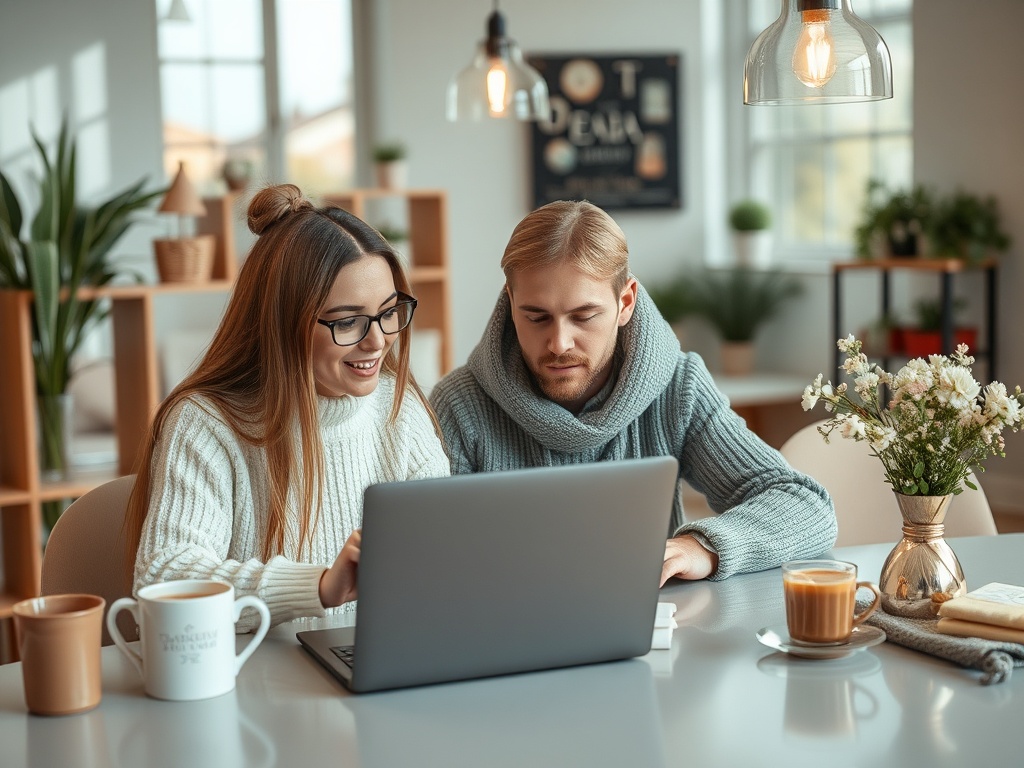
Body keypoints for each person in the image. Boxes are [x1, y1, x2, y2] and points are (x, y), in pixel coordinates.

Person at [429, 200, 836, 585]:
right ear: (510, 302)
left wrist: (704, 547)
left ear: (625, 302)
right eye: (536, 317)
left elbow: (805, 506)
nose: (559, 343)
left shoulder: (678, 387)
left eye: (584, 316)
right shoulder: (458, 405)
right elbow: (430, 560)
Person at [124, 184, 450, 629]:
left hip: (381, 669)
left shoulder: (400, 406)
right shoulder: (207, 423)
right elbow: (163, 578)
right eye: (348, 321)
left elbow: (440, 560)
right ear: (282, 324)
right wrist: (317, 586)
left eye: (389, 311)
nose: (378, 341)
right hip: (256, 685)